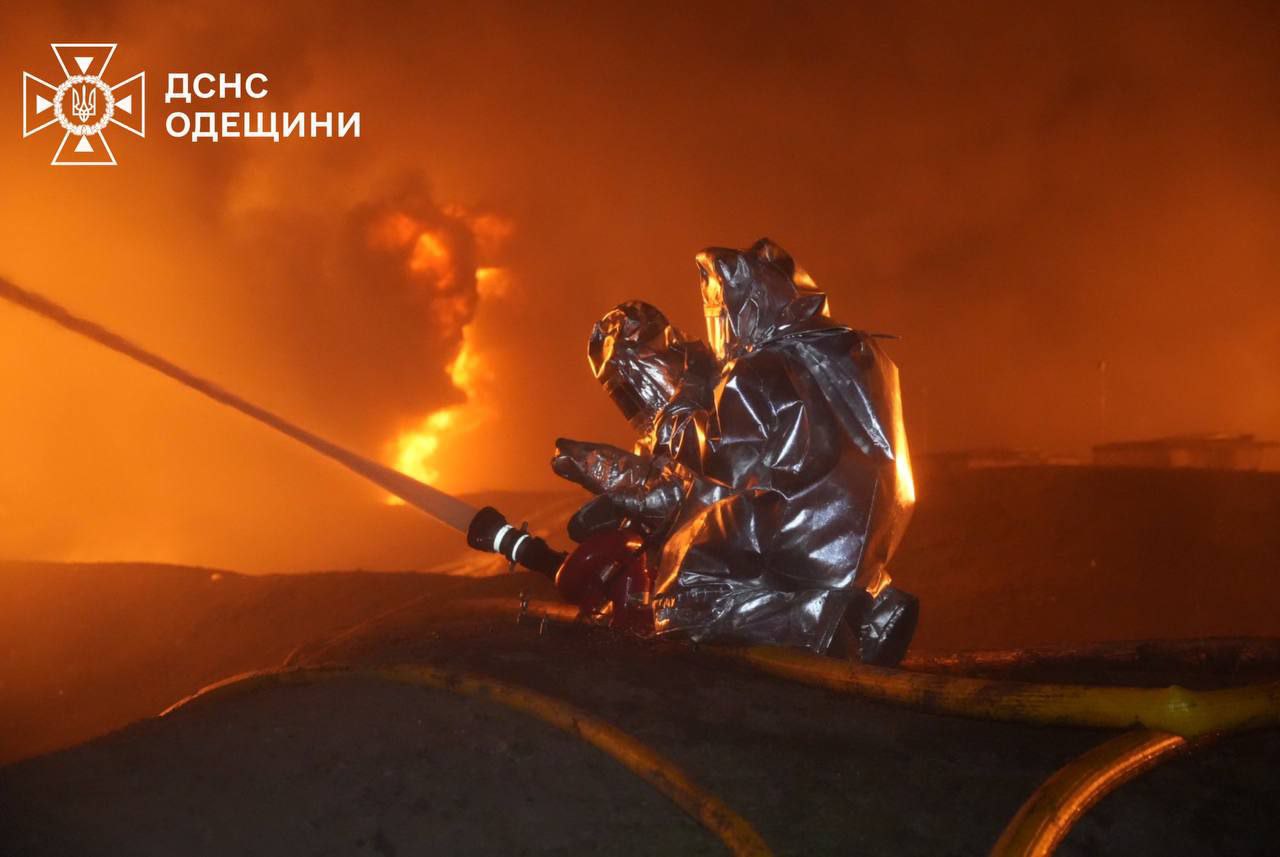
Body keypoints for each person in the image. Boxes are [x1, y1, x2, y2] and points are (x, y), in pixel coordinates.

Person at [554, 240, 918, 663]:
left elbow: (721, 471)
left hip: (803, 529)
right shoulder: (846, 349)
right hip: (862, 530)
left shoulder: (750, 373)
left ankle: (818, 620)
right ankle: (875, 610)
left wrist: (637, 462)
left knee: (688, 586)